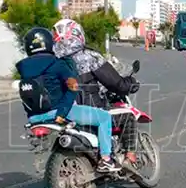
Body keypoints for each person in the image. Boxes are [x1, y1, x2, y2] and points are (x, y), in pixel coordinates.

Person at [16, 27, 121, 173]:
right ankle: (106, 160)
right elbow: (73, 87)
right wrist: (63, 112)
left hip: (35, 119)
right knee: (104, 118)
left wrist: (32, 118)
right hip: (61, 113)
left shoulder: (23, 69)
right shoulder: (57, 63)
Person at [51, 19, 140, 163]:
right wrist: (129, 84)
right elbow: (116, 84)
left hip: (62, 114)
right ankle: (129, 158)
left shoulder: (52, 61)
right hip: (91, 112)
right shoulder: (89, 57)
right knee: (128, 117)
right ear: (78, 34)